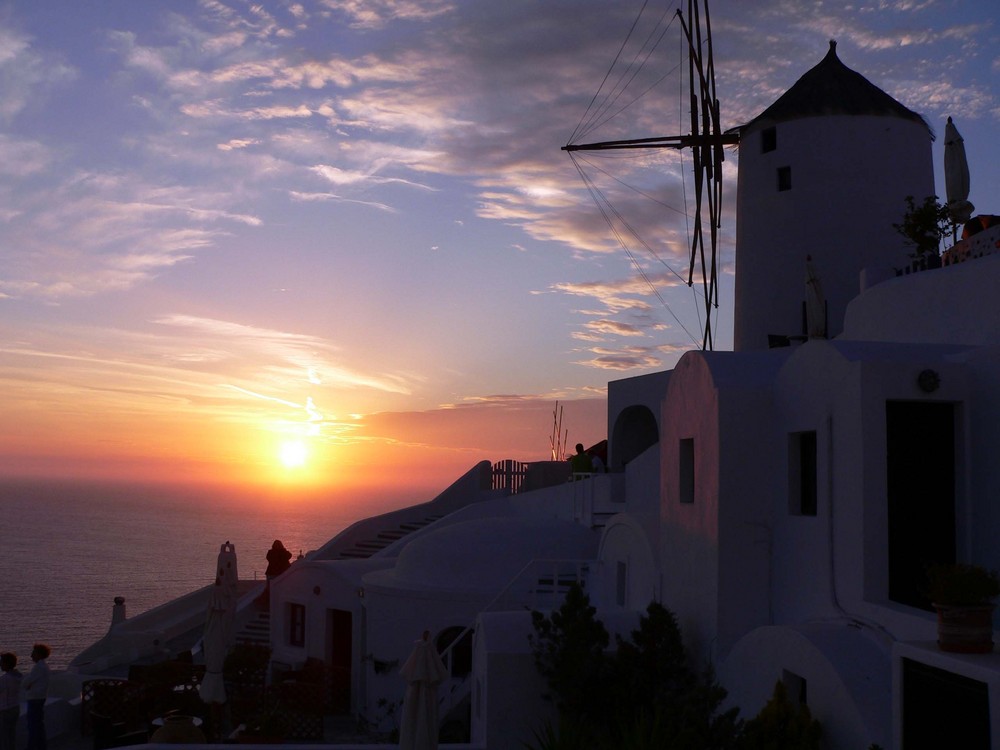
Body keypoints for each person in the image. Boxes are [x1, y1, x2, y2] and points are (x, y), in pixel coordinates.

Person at [23, 644, 50, 750]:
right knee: (38, 725)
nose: (31, 656)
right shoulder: (44, 666)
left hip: (35, 699)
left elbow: (25, 683)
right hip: (40, 698)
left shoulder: (38, 667)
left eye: (33, 653)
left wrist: (28, 685)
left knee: (33, 726)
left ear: (38, 654)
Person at [0, 652, 22, 750]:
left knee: (5, 737)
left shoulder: (5, 679)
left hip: (6, 710)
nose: (0, 664)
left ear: (6, 664)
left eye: (2, 662)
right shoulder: (18, 676)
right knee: (11, 735)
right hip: (15, 707)